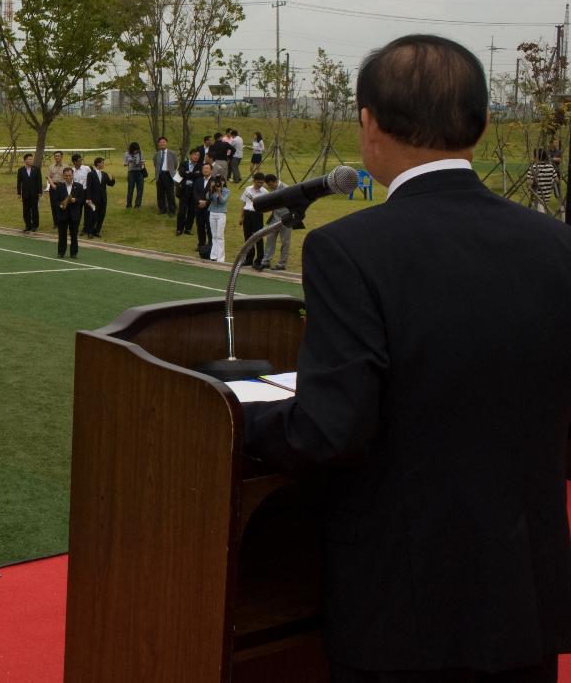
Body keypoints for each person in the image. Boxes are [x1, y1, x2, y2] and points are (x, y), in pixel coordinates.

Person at [242, 34, 571, 682]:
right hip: (524, 603)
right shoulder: (556, 245)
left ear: (369, 124)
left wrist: (238, 419)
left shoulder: (349, 249)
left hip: (404, 609)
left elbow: (330, 430)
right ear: (481, 124)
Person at [257, 174, 292, 270]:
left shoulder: (286, 189)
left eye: (270, 185)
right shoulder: (273, 189)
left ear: (273, 182)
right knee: (270, 239)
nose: (269, 187)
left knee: (285, 241)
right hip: (274, 218)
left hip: (286, 219)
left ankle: (282, 264)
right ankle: (266, 261)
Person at [51, 167, 86, 259]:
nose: (68, 177)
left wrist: (75, 200)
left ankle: (73, 253)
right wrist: (60, 205)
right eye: (66, 176)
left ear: (72, 175)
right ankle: (61, 252)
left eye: (70, 175)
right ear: (63, 176)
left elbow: (82, 199)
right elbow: (55, 200)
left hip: (74, 214)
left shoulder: (79, 186)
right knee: (62, 234)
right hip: (63, 214)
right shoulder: (59, 186)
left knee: (74, 234)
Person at [238, 171, 267, 266]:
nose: (260, 184)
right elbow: (244, 203)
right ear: (254, 181)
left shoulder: (265, 192)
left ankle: (259, 260)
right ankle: (249, 258)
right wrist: (241, 217)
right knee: (247, 237)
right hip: (247, 213)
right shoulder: (248, 189)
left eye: (262, 182)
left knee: (258, 237)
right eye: (258, 182)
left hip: (257, 214)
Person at [174, 148, 203, 236]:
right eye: (195, 154)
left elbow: (199, 175)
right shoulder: (183, 163)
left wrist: (188, 173)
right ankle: (179, 229)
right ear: (190, 155)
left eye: (198, 155)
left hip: (194, 191)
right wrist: (193, 174)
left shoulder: (200, 166)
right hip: (184, 189)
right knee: (182, 210)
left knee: (192, 210)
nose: (196, 157)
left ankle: (188, 228)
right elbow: (181, 173)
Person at [87, 157, 115, 238]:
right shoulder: (91, 174)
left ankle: (97, 231)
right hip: (94, 199)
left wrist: (113, 180)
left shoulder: (104, 174)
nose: (103, 164)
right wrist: (89, 199)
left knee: (101, 215)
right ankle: (90, 232)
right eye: (102, 162)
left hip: (103, 199)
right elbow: (89, 187)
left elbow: (110, 184)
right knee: (93, 215)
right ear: (98, 163)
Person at [205, 175, 230, 262]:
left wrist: (219, 192)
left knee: (220, 236)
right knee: (214, 235)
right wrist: (211, 189)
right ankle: (213, 255)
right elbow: (208, 198)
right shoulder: (213, 189)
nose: (220, 183)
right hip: (212, 212)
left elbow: (223, 201)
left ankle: (221, 257)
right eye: (219, 181)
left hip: (221, 213)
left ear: (224, 182)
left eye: (222, 181)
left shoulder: (227, 191)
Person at [16, 152, 42, 233]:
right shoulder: (21, 170)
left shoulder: (36, 169)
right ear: (25, 160)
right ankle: (28, 225)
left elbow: (39, 181)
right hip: (25, 194)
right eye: (29, 159)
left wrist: (39, 192)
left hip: (34, 194)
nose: (31, 160)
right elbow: (19, 182)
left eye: (32, 159)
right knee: (26, 210)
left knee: (34, 210)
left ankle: (35, 225)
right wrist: (19, 193)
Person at [194, 162, 214, 256]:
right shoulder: (198, 180)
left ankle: (210, 245)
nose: (205, 170)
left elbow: (214, 195)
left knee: (210, 228)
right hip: (199, 207)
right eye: (204, 169)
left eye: (207, 168)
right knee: (200, 227)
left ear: (211, 170)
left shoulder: (214, 181)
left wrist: (206, 202)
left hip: (210, 208)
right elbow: (194, 192)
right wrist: (199, 201)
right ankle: (201, 244)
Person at [154, 137, 177, 215]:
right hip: (160, 175)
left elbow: (175, 165)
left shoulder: (172, 153)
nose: (162, 143)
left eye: (163, 142)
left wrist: (169, 171)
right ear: (158, 144)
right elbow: (155, 164)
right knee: (160, 194)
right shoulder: (157, 154)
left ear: (166, 143)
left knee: (170, 194)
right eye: (160, 142)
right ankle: (162, 209)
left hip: (169, 175)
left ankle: (172, 210)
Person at [123, 142, 148, 209]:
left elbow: (143, 162)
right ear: (131, 149)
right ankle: (129, 204)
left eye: (137, 150)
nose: (136, 151)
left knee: (140, 189)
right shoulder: (127, 154)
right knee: (130, 189)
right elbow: (124, 163)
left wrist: (141, 163)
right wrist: (129, 161)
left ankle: (137, 204)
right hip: (131, 173)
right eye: (135, 150)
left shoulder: (140, 153)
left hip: (140, 172)